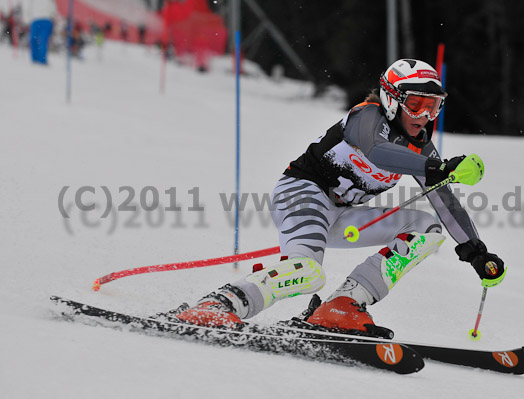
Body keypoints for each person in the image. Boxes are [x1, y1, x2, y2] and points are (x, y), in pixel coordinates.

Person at [176, 59, 506, 333]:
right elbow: (378, 152)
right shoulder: (366, 116)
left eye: (433, 106)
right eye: (416, 104)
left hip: (343, 215)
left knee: (426, 228)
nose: (424, 116)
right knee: (306, 272)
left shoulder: (421, 147)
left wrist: (475, 251)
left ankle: (343, 305)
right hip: (302, 195)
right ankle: (220, 305)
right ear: (391, 99)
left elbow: (444, 200)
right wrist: (439, 167)